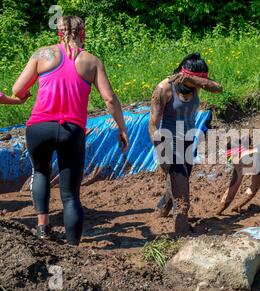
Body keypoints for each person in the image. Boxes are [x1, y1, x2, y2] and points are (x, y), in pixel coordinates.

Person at [11, 15, 129, 245]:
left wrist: (24, 95)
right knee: (70, 194)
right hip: (71, 130)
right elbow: (109, 99)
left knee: (41, 172)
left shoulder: (42, 54)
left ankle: (43, 228)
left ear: (59, 33)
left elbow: (17, 88)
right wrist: (122, 127)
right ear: (83, 33)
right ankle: (73, 246)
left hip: (39, 127)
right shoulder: (92, 61)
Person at [148, 53, 222, 235]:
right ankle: (182, 233)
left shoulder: (196, 85)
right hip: (168, 142)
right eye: (195, 80)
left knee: (180, 180)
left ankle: (160, 210)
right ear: (184, 75)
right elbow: (153, 125)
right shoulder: (164, 89)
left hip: (188, 140)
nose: (199, 85)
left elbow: (218, 88)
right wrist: (161, 154)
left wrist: (196, 81)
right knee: (182, 192)